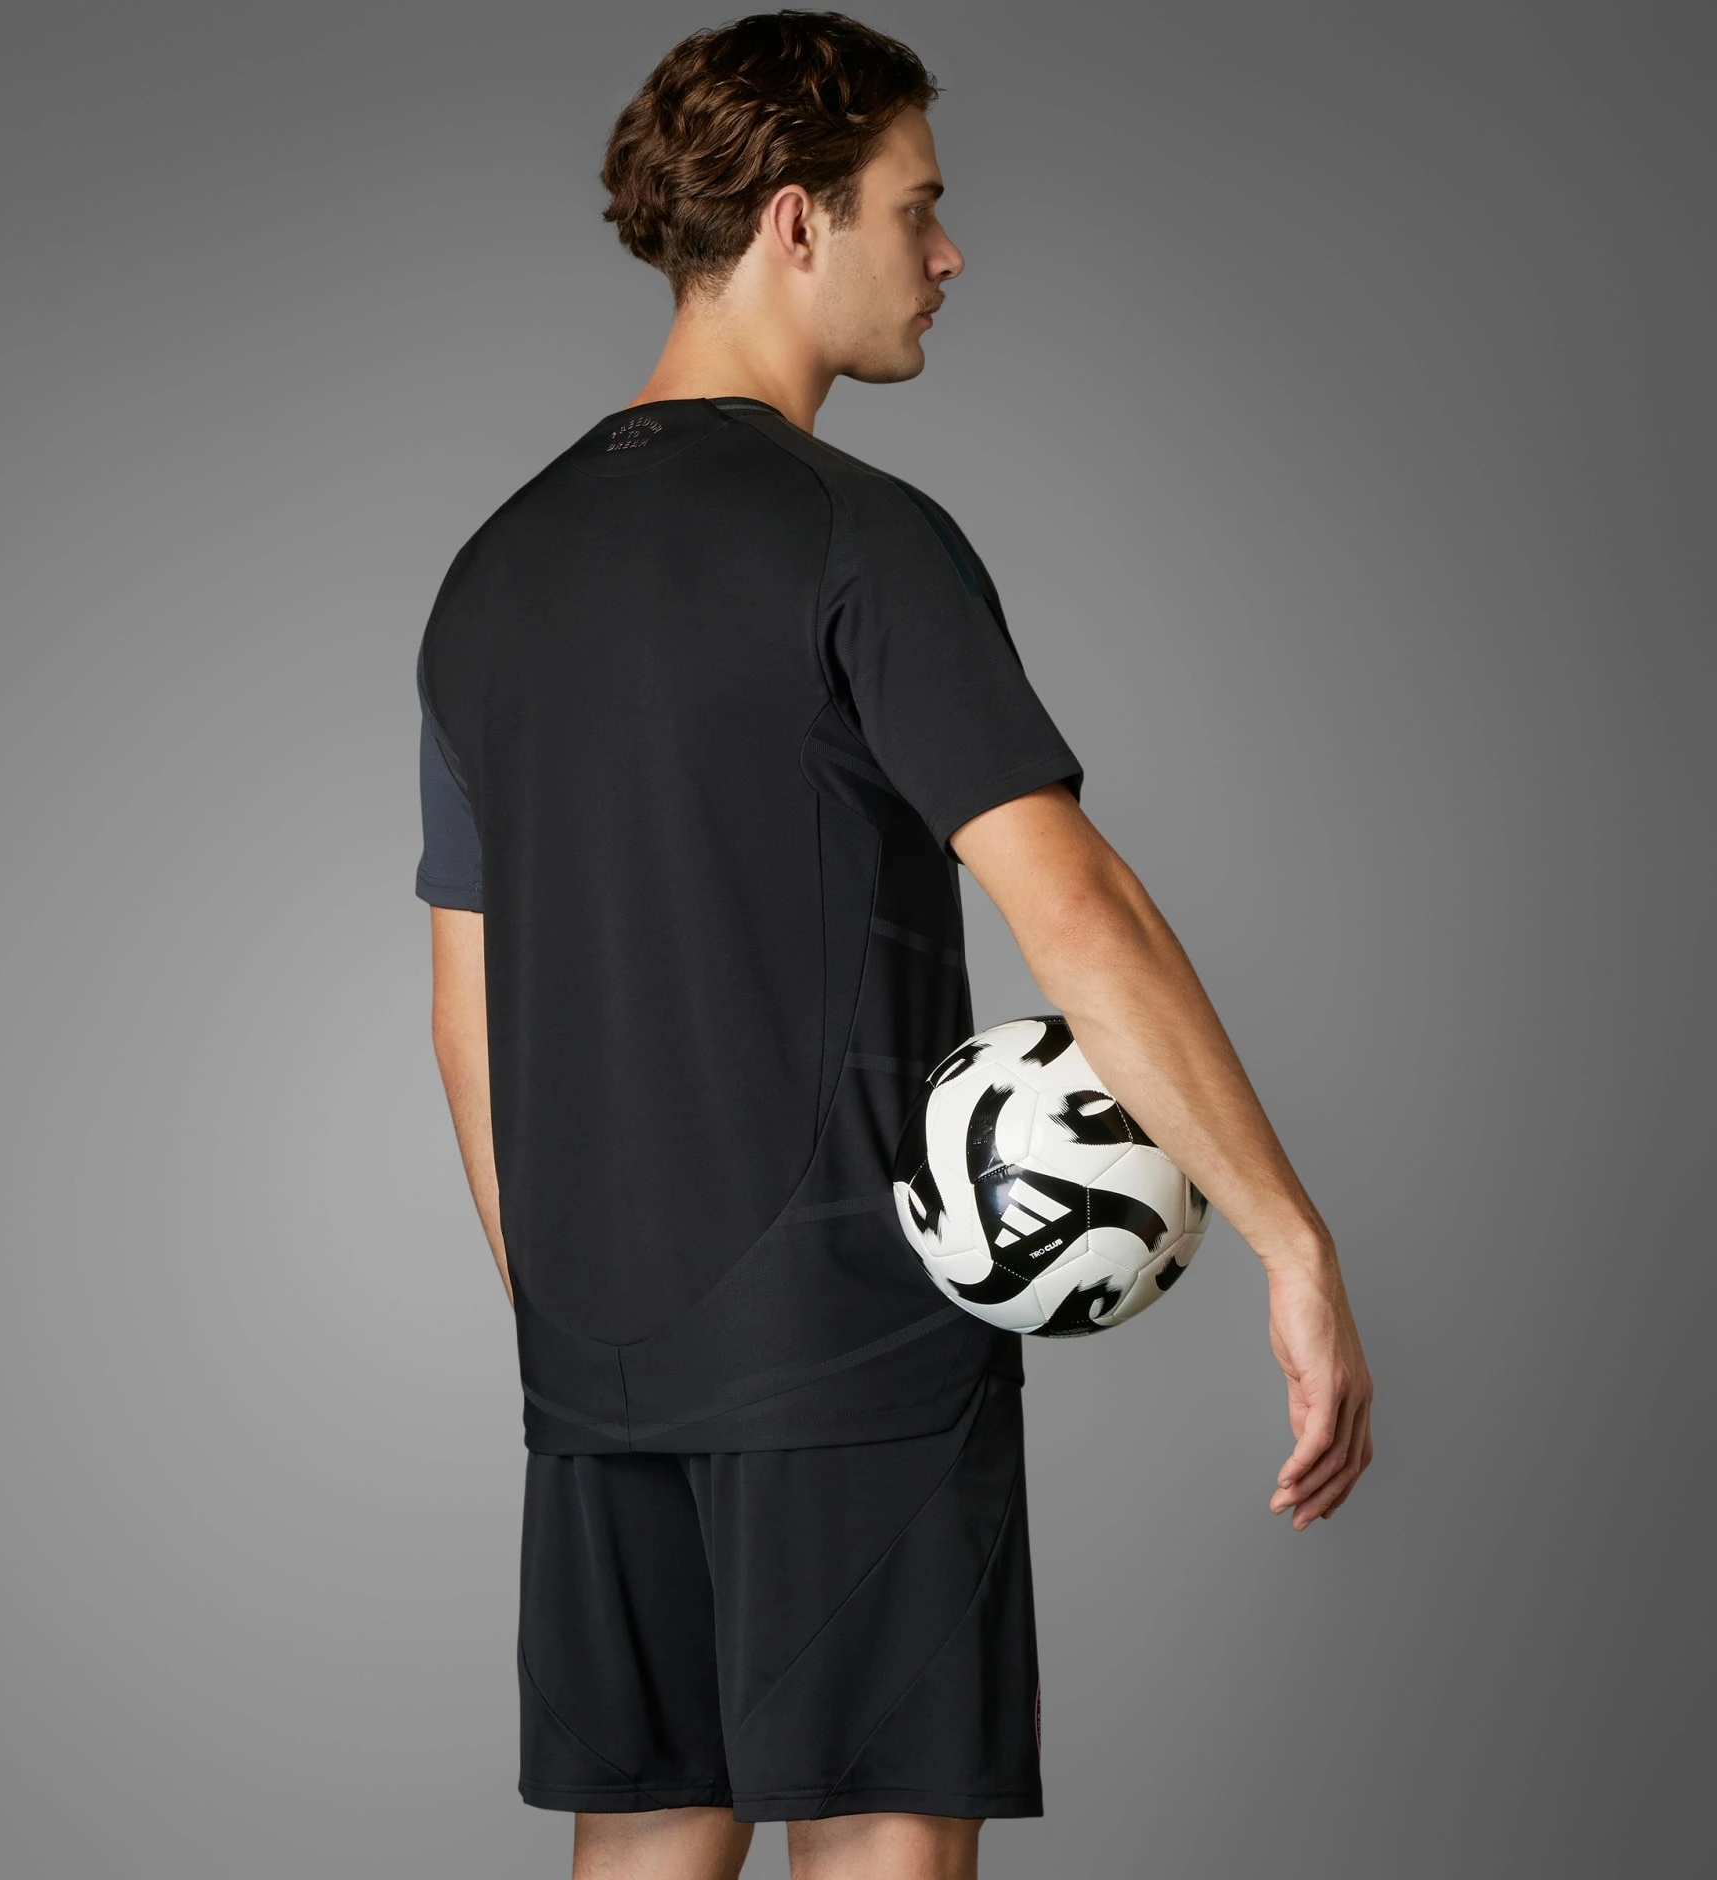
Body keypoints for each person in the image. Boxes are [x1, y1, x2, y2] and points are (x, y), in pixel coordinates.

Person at [414, 12, 1374, 1877]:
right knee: (877, 1844)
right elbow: (1076, 904)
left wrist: (583, 1320)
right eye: (916, 208)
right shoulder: (859, 537)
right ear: (797, 219)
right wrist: (1290, 1238)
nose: (949, 253)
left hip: (598, 1360)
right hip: (850, 1341)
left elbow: (469, 1015)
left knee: (644, 1839)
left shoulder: (489, 573)